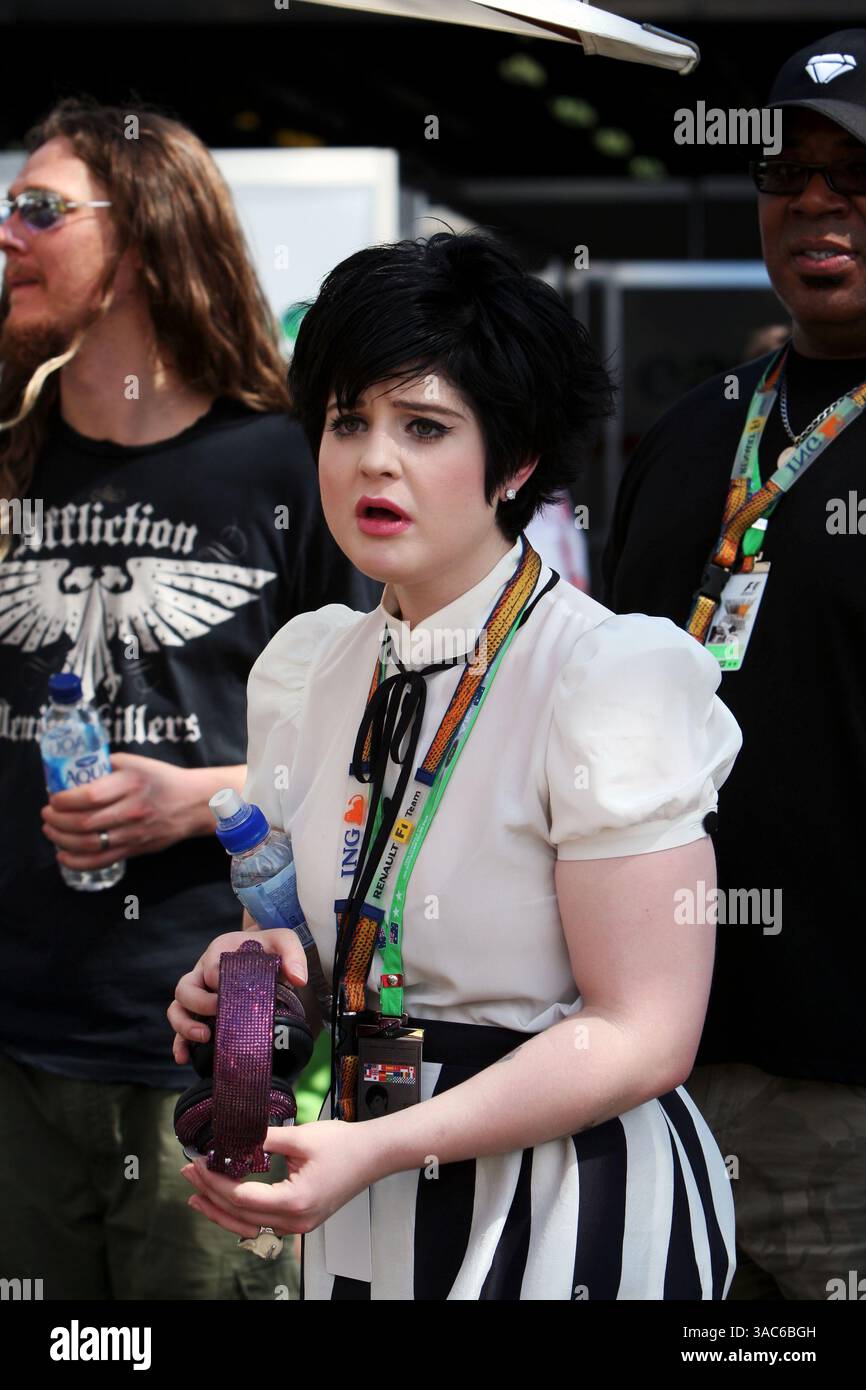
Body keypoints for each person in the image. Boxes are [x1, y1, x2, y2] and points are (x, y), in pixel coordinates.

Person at [170, 229, 742, 1301]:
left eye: (424, 426)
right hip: (359, 1190)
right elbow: (303, 947)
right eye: (347, 421)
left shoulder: (605, 675)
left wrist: (382, 1145)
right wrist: (246, 988)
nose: (373, 460)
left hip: (564, 1201)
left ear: (514, 462)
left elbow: (644, 1035)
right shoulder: (307, 668)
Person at [0, 97, 377, 1301]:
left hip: (212, 1044)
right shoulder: (7, 453)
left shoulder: (286, 461)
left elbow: (383, 740)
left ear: (146, 234)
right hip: (16, 1046)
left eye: (40, 208)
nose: (8, 233)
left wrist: (198, 797)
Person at [602, 29, 866, 1301]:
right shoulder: (692, 432)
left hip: (845, 1103)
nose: (813, 198)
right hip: (649, 1070)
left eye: (852, 172)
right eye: (784, 170)